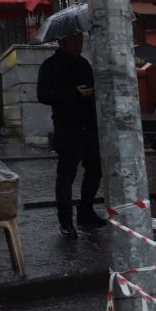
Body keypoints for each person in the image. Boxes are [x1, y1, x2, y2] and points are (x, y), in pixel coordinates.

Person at [36, 33, 105, 238]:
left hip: (89, 126)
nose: (79, 45)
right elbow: (44, 95)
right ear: (62, 42)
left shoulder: (83, 63)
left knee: (95, 169)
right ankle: (65, 221)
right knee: (66, 176)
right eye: (74, 41)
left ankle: (86, 210)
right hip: (67, 128)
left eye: (81, 41)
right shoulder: (50, 66)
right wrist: (73, 93)